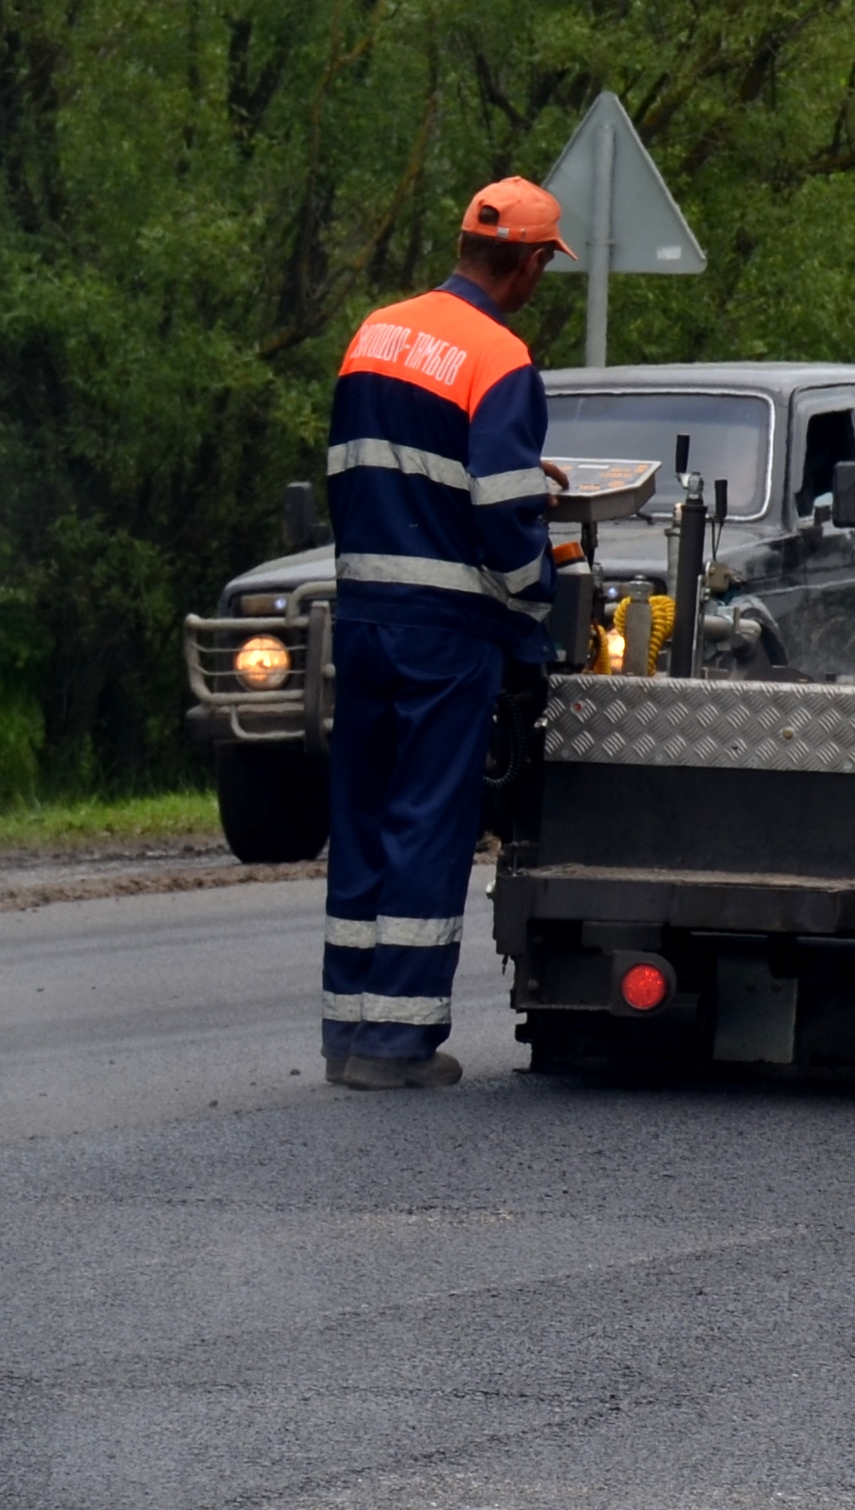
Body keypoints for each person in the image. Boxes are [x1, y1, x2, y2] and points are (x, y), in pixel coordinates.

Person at [319, 182, 566, 1091]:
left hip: (364, 614)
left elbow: (363, 469)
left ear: (464, 244)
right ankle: (396, 1045)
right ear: (531, 262)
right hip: (444, 629)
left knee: (364, 817)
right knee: (428, 820)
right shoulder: (499, 356)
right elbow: (503, 512)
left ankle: (348, 1028)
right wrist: (538, 588)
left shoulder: (375, 332)